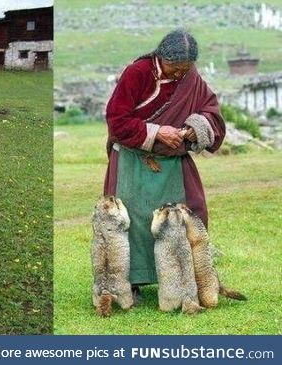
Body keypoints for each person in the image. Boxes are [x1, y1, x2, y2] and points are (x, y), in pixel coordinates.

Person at [104, 29, 225, 297]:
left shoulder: (191, 78)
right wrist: (157, 132)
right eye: (174, 67)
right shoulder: (137, 73)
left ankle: (185, 279)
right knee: (130, 218)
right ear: (161, 57)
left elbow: (211, 112)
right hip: (133, 161)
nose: (179, 74)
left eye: (185, 68)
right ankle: (129, 282)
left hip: (173, 163)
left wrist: (196, 127)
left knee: (192, 212)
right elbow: (116, 120)